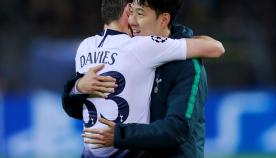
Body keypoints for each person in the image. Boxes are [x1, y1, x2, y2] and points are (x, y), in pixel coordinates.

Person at [62, 0, 224, 157]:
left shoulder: (86, 46)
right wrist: (79, 87)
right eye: (132, 12)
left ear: (164, 19)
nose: (133, 21)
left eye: (140, 13)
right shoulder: (139, 47)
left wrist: (120, 135)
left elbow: (177, 128)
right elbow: (214, 47)